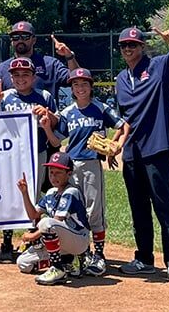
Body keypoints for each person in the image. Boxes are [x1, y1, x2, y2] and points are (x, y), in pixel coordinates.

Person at [43, 68, 130, 276]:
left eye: (84, 84)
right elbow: (56, 141)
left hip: (91, 165)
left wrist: (117, 145)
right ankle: (83, 254)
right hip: (70, 166)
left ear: (91, 86)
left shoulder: (100, 107)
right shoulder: (67, 112)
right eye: (75, 85)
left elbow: (123, 125)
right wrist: (46, 127)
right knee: (75, 210)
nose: (80, 88)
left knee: (94, 211)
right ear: (71, 89)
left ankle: (99, 256)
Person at [114, 26, 169, 281]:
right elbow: (124, 119)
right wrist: (115, 143)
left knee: (165, 207)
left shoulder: (159, 65)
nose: (128, 49)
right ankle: (144, 259)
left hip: (157, 147)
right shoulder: (120, 79)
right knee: (138, 208)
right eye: (124, 46)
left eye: (133, 44)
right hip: (131, 153)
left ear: (142, 46)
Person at [0, 57, 58, 263]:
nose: (21, 78)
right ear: (10, 77)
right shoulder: (5, 96)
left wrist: (47, 114)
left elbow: (56, 122)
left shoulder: (44, 95)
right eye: (16, 75)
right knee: (9, 195)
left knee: (34, 197)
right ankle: (7, 240)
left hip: (36, 153)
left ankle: (31, 240)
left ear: (34, 77)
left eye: (25, 74)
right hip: (9, 156)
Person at [16, 152, 90, 285]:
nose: (53, 176)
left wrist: (33, 236)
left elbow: (57, 220)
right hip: (59, 242)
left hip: (78, 239)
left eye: (58, 173)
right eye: (51, 172)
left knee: (47, 223)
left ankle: (58, 268)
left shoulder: (71, 192)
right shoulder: (51, 193)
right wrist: (24, 193)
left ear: (69, 174)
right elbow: (33, 215)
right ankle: (68, 261)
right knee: (23, 263)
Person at [0, 21, 78, 99]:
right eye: (15, 37)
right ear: (11, 41)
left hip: (46, 114)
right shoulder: (2, 69)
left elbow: (76, 79)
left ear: (34, 40)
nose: (20, 40)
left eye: (25, 36)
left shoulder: (50, 64)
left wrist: (69, 56)